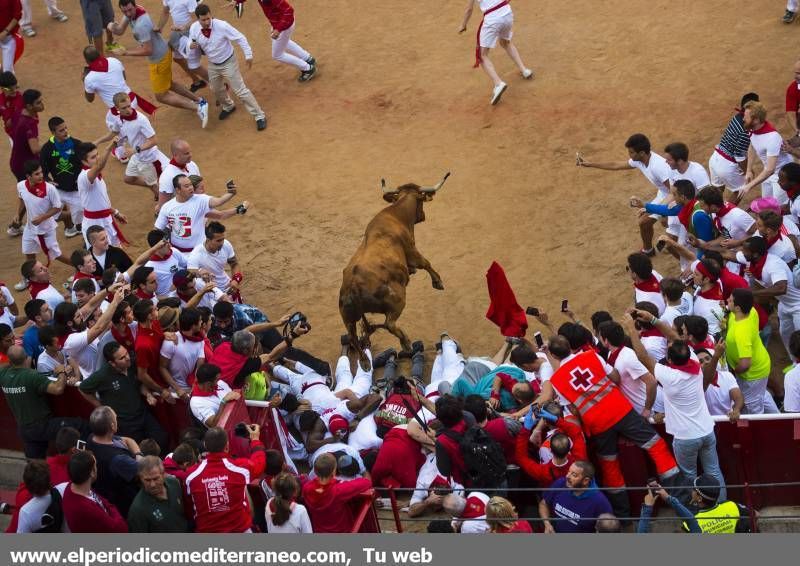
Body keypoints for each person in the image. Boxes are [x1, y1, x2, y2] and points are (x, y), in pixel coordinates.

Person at [622, 313, 726, 501]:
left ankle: (697, 511)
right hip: (707, 431)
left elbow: (642, 355)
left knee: (689, 477)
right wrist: (652, 320)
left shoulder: (668, 374)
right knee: (714, 471)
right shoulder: (695, 364)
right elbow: (674, 338)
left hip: (685, 437)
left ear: (669, 361)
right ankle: (721, 504)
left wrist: (631, 327)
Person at [108, 0, 208, 124]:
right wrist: (111, 26)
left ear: (134, 6)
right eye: (125, 11)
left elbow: (148, 50)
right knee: (169, 84)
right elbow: (120, 30)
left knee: (161, 95)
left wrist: (125, 53)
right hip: (162, 54)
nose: (128, 14)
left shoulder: (141, 25)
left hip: (158, 59)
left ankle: (198, 108)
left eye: (130, 10)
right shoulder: (134, 11)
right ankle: (199, 101)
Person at [579, 134, 672, 255]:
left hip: (672, 195)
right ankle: (648, 250)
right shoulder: (641, 160)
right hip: (664, 193)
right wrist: (591, 164)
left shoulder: (658, 167)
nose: (630, 155)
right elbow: (616, 165)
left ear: (642, 153)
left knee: (663, 223)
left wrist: (663, 211)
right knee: (644, 222)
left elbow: (674, 191)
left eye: (632, 152)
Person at [188, 3, 267, 130]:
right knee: (215, 88)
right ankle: (228, 106)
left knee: (240, 91)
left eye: (209, 18)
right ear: (198, 19)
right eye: (203, 20)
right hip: (213, 64)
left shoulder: (222, 25)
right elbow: (192, 42)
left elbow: (240, 37)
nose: (207, 22)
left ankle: (259, 116)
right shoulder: (194, 28)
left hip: (229, 62)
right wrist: (190, 46)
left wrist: (248, 55)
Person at [79, 341, 169, 448]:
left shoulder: (132, 364)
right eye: (122, 358)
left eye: (126, 353)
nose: (127, 358)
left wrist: (148, 394)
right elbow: (83, 388)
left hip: (142, 413)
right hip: (125, 422)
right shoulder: (102, 375)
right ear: (112, 363)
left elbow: (139, 384)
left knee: (162, 439)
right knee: (138, 448)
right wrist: (100, 407)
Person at [0, 345, 80, 458]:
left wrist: (12, 361)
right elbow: (58, 389)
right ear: (26, 357)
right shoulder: (32, 376)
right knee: (80, 425)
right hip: (42, 425)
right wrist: (61, 372)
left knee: (36, 465)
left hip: (24, 429)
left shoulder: (3, 375)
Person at [185, 425, 266, 533]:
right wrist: (255, 439)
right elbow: (259, 463)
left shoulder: (191, 475)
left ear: (205, 445)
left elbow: (189, 505)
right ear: (227, 446)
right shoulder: (240, 468)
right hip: (240, 530)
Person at [458, 0, 532, 105]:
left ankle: (498, 84)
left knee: (482, 56)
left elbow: (469, 9)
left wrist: (463, 25)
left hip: (492, 19)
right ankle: (525, 70)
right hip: (507, 13)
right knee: (505, 43)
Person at [102, 91, 169, 199]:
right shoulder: (119, 118)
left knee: (159, 186)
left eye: (129, 106)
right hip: (137, 156)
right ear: (117, 108)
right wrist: (97, 142)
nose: (128, 110)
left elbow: (154, 141)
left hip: (149, 159)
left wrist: (135, 150)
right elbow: (113, 133)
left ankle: (160, 201)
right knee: (128, 179)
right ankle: (155, 189)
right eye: (124, 108)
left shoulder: (141, 120)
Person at [84, 405, 143, 516]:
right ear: (112, 426)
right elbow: (144, 471)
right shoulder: (118, 459)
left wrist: (138, 454)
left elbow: (128, 440)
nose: (117, 420)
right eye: (115, 419)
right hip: (127, 504)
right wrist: (140, 458)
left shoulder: (93, 437)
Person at [155, 174, 236, 252]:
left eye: (191, 185)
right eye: (186, 186)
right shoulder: (167, 207)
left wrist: (231, 193)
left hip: (199, 252)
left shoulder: (201, 200)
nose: (190, 188)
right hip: (176, 252)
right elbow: (157, 229)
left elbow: (218, 201)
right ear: (177, 190)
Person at [14, 160, 71, 267]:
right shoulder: (21, 186)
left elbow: (58, 207)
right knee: (29, 254)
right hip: (30, 229)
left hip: (46, 229)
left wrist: (42, 218)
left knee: (56, 255)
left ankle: (80, 267)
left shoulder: (50, 189)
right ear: (28, 176)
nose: (41, 176)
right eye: (37, 174)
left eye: (41, 172)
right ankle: (29, 278)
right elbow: (21, 198)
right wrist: (17, 214)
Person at [724, 288, 771, 414]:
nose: (727, 300)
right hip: (760, 364)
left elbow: (745, 364)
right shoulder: (750, 311)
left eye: (731, 300)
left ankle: (759, 429)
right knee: (760, 395)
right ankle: (776, 414)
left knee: (752, 407)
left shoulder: (741, 331)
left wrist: (735, 371)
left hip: (752, 374)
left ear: (738, 308)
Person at [245, 0, 316, 82]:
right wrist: (237, 1)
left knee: (277, 55)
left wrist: (279, 29)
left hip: (284, 26)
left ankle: (308, 69)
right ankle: (308, 58)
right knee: (285, 43)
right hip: (278, 24)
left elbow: (289, 10)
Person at [739, 100, 795, 205]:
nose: (743, 119)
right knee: (766, 203)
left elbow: (770, 169)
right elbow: (752, 146)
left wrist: (749, 185)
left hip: (782, 175)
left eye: (746, 117)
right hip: (768, 173)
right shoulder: (753, 129)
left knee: (779, 207)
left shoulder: (772, 137)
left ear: (756, 120)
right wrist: (749, 170)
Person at [302, 452, 371, 533]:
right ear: (334, 472)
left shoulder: (306, 488)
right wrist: (365, 472)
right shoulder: (338, 490)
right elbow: (367, 482)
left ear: (316, 472)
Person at [77, 140, 129, 247]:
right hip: (94, 226)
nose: (97, 158)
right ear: (84, 162)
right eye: (93, 157)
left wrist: (115, 212)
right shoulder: (84, 177)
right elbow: (100, 165)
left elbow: (101, 201)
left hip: (106, 220)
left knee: (114, 253)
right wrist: (109, 148)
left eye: (97, 155)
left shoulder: (95, 175)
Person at [62, 449, 128, 533]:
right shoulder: (87, 509)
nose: (97, 468)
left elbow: (99, 499)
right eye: (96, 465)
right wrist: (112, 509)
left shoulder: (72, 486)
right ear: (92, 472)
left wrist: (109, 507)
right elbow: (122, 528)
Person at [39, 116, 83, 238]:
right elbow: (42, 169)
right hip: (58, 190)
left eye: (66, 128)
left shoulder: (76, 144)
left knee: (81, 220)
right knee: (46, 214)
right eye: (61, 130)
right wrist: (48, 180)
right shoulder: (47, 149)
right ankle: (69, 225)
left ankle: (78, 230)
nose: (65, 132)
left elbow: (86, 163)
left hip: (76, 190)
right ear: (53, 132)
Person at [539, 461, 613, 533]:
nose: (567, 476)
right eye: (568, 472)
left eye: (574, 475)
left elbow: (607, 530)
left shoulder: (601, 503)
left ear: (585, 481)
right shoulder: (560, 483)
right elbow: (544, 504)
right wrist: (547, 524)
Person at [710, 93, 759, 200]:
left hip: (714, 159)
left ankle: (712, 215)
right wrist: (748, 171)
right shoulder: (746, 130)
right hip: (727, 166)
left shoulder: (737, 117)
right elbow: (739, 156)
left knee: (714, 195)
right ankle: (725, 214)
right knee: (741, 189)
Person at [153, 0, 208, 91]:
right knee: (178, 58)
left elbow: (196, 18)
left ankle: (219, 85)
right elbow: (165, 11)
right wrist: (159, 27)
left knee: (194, 65)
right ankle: (197, 81)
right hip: (178, 32)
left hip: (190, 32)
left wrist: (184, 27)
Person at [126, 456, 189, 532]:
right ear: (140, 478)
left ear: (163, 474)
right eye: (147, 480)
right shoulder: (138, 510)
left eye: (156, 479)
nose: (152, 484)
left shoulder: (174, 484)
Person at [187, 221, 242, 298]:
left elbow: (234, 264)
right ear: (208, 240)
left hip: (227, 285)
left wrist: (236, 279)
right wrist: (199, 272)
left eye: (223, 239)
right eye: (218, 240)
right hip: (210, 290)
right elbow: (190, 272)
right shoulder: (196, 254)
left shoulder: (226, 244)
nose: (222, 243)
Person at [683, 474, 753, 533]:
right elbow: (756, 514)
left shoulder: (690, 522)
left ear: (699, 498)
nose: (692, 490)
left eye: (693, 489)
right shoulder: (731, 505)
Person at [189, 363, 240, 427]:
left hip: (238, 422)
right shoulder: (196, 402)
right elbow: (213, 425)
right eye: (217, 379)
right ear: (208, 383)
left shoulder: (221, 383)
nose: (219, 381)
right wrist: (223, 402)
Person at [9, 88, 43, 181]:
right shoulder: (29, 124)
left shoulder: (20, 111)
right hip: (25, 167)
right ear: (29, 106)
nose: (42, 105)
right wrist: (51, 145)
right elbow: (35, 149)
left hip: (18, 161)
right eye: (38, 103)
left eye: (41, 101)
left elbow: (9, 123)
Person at [144, 229, 187, 296]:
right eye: (165, 244)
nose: (170, 245)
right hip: (169, 300)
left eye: (168, 242)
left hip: (185, 290)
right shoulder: (149, 267)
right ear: (156, 247)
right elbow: (150, 294)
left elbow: (187, 265)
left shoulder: (173, 252)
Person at [157, 138, 200, 205]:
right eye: (186, 153)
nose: (190, 155)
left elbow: (199, 187)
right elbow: (163, 205)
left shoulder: (192, 165)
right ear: (175, 155)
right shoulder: (167, 176)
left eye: (190, 152)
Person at [21, 298, 49, 363]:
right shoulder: (28, 337)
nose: (50, 311)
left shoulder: (55, 323)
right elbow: (28, 361)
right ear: (38, 318)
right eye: (46, 310)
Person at [0, 1, 21, 73]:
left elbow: (17, 15)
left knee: (7, 73)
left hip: (8, 38)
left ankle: (12, 83)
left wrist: (5, 32)